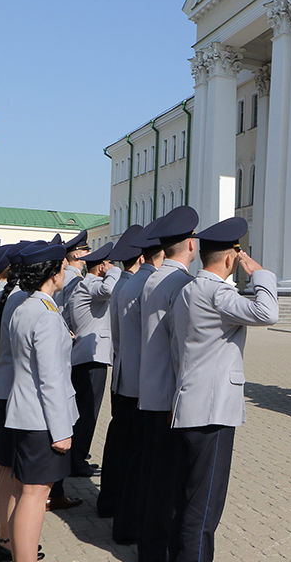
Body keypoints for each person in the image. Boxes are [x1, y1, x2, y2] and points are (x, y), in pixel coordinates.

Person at [168, 216, 278, 562]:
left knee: (187, 498)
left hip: (190, 403)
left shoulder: (187, 290)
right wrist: (259, 273)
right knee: (205, 507)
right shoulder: (216, 293)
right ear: (231, 258)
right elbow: (268, 312)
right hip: (212, 412)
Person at [6, 243, 77, 562]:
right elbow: (51, 379)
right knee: (36, 496)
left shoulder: (24, 306)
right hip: (42, 421)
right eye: (62, 267)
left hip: (25, 413)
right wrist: (61, 430)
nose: (64, 273)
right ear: (52, 273)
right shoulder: (46, 315)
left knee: (25, 492)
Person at [138, 206, 198, 561]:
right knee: (167, 482)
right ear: (190, 245)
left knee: (153, 476)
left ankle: (149, 547)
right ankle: (157, 551)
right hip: (168, 395)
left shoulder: (154, 279)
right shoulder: (181, 284)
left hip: (150, 388)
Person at [110, 219, 165, 544]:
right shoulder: (151, 285)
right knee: (138, 459)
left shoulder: (126, 283)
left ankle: (115, 510)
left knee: (124, 452)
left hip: (124, 377)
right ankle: (128, 524)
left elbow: (118, 336)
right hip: (141, 386)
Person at [95, 224, 143, 520]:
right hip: (137, 381)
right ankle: (122, 508)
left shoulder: (123, 285)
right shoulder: (137, 287)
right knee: (131, 449)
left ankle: (109, 501)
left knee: (118, 443)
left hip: (123, 376)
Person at [67, 241, 121, 477]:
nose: (110, 266)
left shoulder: (86, 284)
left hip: (89, 356)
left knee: (86, 410)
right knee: (87, 412)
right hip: (91, 357)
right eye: (108, 262)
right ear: (100, 267)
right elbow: (109, 290)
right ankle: (76, 461)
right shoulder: (90, 284)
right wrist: (116, 271)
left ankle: (77, 457)